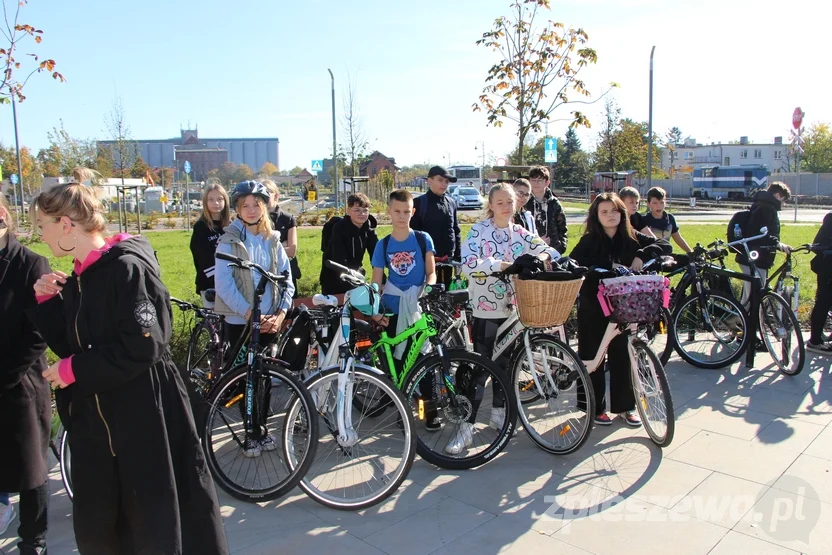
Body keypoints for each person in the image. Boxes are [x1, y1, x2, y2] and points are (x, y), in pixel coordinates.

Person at [28, 181, 228, 555]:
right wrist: (45, 304)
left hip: (145, 418)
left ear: (66, 223)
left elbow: (145, 346)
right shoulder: (80, 275)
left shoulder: (127, 269)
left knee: (156, 524)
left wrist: (74, 371)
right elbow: (78, 345)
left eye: (42, 225)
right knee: (104, 528)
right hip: (103, 427)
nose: (39, 235)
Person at [459, 183, 558, 454]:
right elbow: (467, 263)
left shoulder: (521, 233)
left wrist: (545, 255)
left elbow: (547, 250)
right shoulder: (480, 231)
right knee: (482, 367)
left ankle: (499, 414)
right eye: (500, 202)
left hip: (514, 307)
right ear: (490, 205)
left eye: (509, 202)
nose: (505, 206)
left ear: (516, 204)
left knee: (506, 364)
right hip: (486, 306)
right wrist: (500, 265)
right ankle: (465, 427)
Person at [570, 193, 671, 427]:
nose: (609, 216)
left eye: (614, 211)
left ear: (622, 213)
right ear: (596, 216)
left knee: (623, 354)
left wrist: (641, 254)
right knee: (592, 355)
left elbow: (664, 244)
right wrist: (607, 266)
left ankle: (625, 407)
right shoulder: (589, 240)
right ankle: (593, 408)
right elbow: (574, 262)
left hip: (625, 307)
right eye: (604, 212)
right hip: (594, 305)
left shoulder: (632, 237)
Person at [214, 180, 295, 456]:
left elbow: (287, 281)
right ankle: (250, 432)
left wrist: (282, 313)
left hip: (270, 320)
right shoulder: (229, 240)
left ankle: (262, 427)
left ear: (264, 207)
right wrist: (250, 315)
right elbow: (225, 285)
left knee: (265, 376)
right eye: (245, 206)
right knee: (246, 378)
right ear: (237, 209)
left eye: (256, 205)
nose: (251, 210)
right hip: (241, 321)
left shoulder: (272, 240)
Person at [0, 192, 51, 555]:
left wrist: (5, 376)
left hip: (20, 383)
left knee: (31, 468)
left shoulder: (31, 264)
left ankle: (33, 538)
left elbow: (39, 332)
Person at [371, 190, 437, 427]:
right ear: (389, 211)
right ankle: (403, 412)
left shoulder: (422, 239)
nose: (401, 216)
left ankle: (429, 412)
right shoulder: (383, 244)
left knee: (424, 360)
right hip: (392, 308)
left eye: (406, 211)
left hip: (417, 305)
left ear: (413, 212)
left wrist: (428, 291)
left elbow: (431, 272)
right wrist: (376, 311)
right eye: (397, 211)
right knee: (397, 365)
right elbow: (376, 282)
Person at [736, 182, 792, 310]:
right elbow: (761, 234)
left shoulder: (761, 205)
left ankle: (738, 321)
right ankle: (744, 323)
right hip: (757, 256)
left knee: (749, 294)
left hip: (751, 255)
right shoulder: (766, 208)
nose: (783, 205)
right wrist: (778, 244)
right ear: (777, 195)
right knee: (755, 294)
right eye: (783, 201)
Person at [320, 192, 378, 295]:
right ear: (348, 211)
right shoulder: (338, 228)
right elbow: (339, 258)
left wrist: (380, 280)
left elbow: (376, 255)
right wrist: (350, 282)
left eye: (365, 210)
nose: (362, 214)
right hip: (334, 275)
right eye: (357, 210)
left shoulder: (369, 229)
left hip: (355, 273)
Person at [411, 166, 460, 287]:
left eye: (446, 181)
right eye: (440, 180)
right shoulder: (419, 203)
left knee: (448, 293)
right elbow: (413, 233)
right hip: (426, 260)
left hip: (448, 258)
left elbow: (456, 230)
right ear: (429, 181)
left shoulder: (451, 202)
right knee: (428, 293)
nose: (443, 184)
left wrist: (458, 256)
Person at [189, 181, 231, 305]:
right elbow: (203, 258)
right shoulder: (201, 227)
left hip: (232, 283)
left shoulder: (231, 225)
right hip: (211, 286)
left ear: (226, 201)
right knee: (216, 322)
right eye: (211, 199)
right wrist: (220, 282)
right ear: (205, 203)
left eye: (220, 199)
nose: (216, 203)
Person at [262, 179, 301, 298]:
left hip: (286, 271)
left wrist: (267, 248)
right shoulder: (254, 220)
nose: (263, 197)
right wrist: (282, 246)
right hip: (264, 272)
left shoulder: (288, 219)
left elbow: (292, 251)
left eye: (267, 193)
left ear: (276, 195)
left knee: (289, 308)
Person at [524, 165, 568, 253]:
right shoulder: (525, 202)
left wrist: (561, 246)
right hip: (529, 249)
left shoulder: (554, 203)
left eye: (539, 180)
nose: (536, 183)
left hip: (552, 249)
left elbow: (562, 228)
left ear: (547, 182)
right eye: (533, 180)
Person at [807, 212, 832, 354]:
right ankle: (815, 341)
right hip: (828, 268)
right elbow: (817, 245)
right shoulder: (830, 219)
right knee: (823, 302)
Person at [642, 187, 692, 253]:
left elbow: (678, 238)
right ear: (648, 203)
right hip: (649, 257)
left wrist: (690, 252)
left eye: (661, 202)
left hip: (667, 256)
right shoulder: (643, 220)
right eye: (655, 203)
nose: (659, 206)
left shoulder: (670, 218)